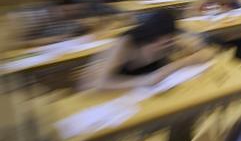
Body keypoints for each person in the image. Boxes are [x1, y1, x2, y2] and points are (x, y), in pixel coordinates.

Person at [83, 10, 213, 90]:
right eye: (160, 41)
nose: (164, 44)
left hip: (148, 92)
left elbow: (206, 52)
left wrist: (184, 61)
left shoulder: (170, 40)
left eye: (169, 39)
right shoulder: (126, 44)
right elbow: (101, 83)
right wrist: (147, 80)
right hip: (118, 91)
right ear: (151, 35)